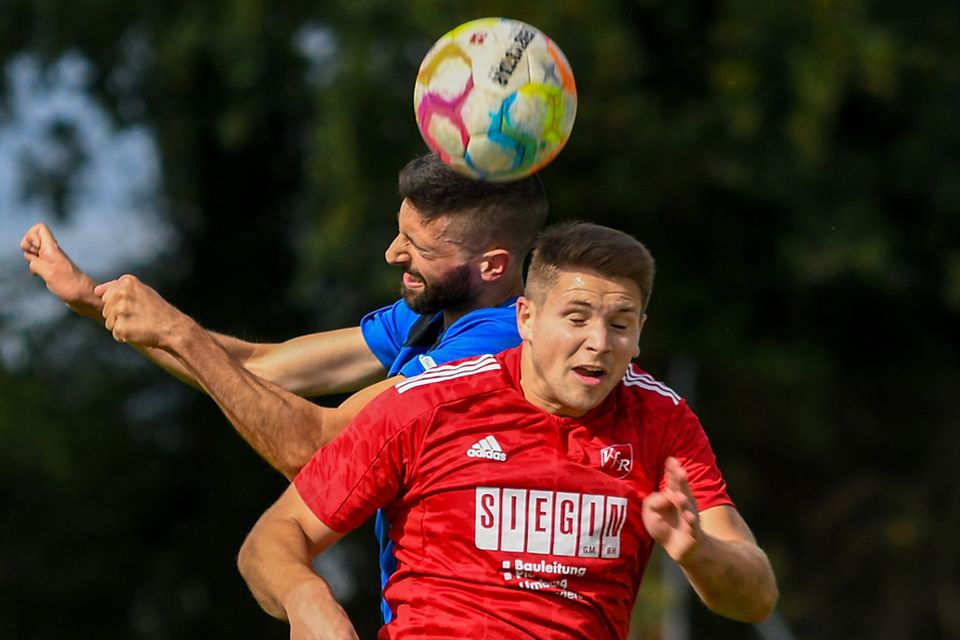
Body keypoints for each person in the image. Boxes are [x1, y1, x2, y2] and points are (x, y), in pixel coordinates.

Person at [237, 221, 779, 639]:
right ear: (525, 319)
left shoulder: (662, 421)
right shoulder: (429, 404)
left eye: (619, 324)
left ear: (639, 334)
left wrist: (699, 551)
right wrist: (305, 596)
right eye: (576, 317)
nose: (598, 342)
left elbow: (755, 596)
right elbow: (273, 539)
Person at [19, 153, 548, 478]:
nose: (392, 254)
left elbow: (314, 447)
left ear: (493, 265)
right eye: (399, 232)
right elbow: (261, 368)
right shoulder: (435, 316)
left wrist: (177, 330)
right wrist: (95, 300)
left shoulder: (493, 347)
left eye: (419, 247)